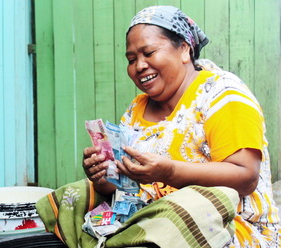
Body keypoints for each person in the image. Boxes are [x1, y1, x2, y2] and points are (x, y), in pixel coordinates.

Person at [37, 5, 280, 248]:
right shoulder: (137, 109)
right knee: (77, 195)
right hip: (153, 223)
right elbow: (123, 187)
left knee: (182, 212)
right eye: (132, 59)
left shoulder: (221, 94)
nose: (139, 66)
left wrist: (169, 172)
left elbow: (246, 177)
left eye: (149, 53)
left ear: (184, 49)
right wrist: (102, 175)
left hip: (227, 227)